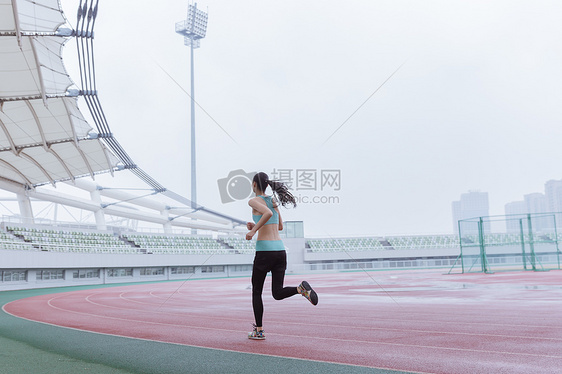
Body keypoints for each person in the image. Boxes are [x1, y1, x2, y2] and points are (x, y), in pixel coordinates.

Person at [245, 172, 318, 340]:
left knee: (256, 291)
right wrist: (256, 224)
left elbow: (268, 215)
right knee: (277, 293)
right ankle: (301, 289)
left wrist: (253, 231)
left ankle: (259, 331)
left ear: (255, 184)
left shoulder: (253, 200)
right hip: (280, 252)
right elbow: (279, 226)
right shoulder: (273, 200)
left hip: (264, 252)